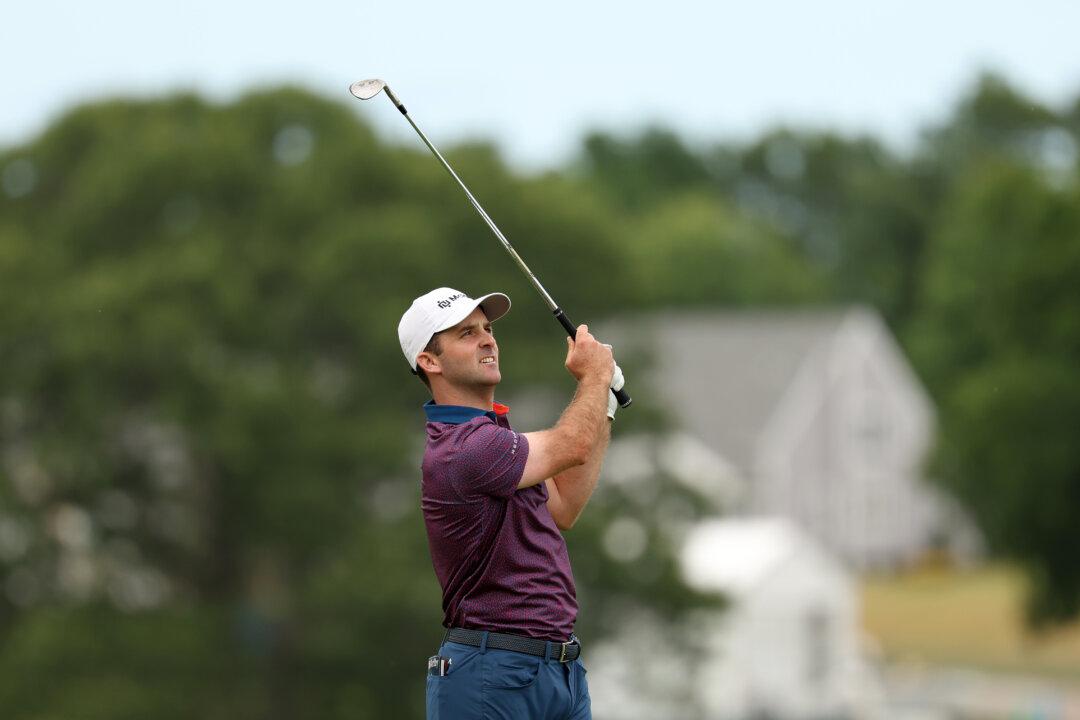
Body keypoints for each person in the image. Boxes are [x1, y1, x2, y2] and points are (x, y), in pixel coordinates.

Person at [398, 287, 624, 720]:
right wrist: (594, 379)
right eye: (466, 333)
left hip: (559, 672)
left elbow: (564, 506)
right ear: (430, 361)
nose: (487, 339)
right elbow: (572, 445)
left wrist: (605, 401)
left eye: (487, 328)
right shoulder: (463, 448)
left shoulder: (497, 437)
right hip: (491, 673)